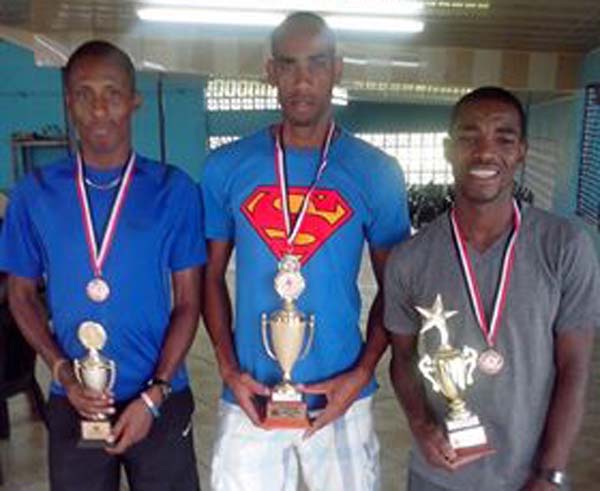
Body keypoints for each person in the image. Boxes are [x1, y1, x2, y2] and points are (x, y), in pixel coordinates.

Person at [201, 11, 410, 491]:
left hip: (342, 396)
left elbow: (396, 286)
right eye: (288, 65)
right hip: (250, 395)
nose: (302, 79)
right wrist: (229, 369)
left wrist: (361, 373)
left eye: (316, 63)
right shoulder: (226, 167)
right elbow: (209, 277)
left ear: (338, 68)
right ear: (270, 71)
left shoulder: (375, 171)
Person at [0, 40, 205, 491]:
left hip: (159, 397)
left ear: (134, 101)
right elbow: (19, 294)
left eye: (112, 93)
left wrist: (155, 393)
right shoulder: (34, 195)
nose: (98, 109)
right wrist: (63, 373)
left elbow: (189, 303)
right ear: (68, 102)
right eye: (84, 94)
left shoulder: (174, 191)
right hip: (74, 400)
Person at [384, 86, 600, 491]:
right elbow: (402, 358)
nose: (485, 153)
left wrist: (551, 473)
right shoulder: (410, 258)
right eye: (469, 138)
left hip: (530, 476)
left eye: (503, 138)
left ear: (522, 151)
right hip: (439, 477)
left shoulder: (565, 246)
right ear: (449, 150)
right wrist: (421, 424)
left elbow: (575, 368)